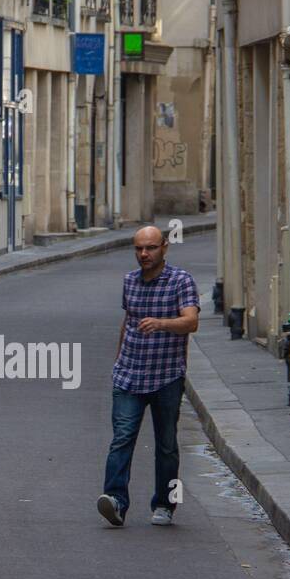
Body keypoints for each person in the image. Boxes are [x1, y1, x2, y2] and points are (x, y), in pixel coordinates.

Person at [97, 225, 200, 527]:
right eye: (139, 248)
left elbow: (191, 322)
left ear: (164, 247)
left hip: (166, 376)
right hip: (129, 375)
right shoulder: (130, 281)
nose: (144, 254)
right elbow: (127, 322)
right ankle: (115, 500)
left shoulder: (181, 281)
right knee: (122, 438)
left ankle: (165, 504)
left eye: (151, 248)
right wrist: (118, 361)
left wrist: (161, 323)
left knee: (166, 443)